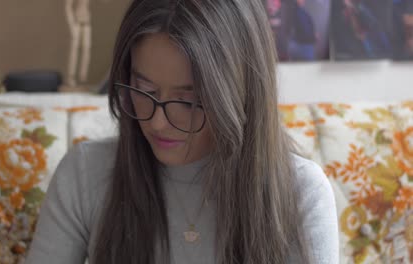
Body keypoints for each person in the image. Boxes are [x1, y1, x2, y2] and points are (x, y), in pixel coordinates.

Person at [26, 0, 338, 263]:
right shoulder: (85, 175)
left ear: (241, 96)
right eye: (142, 89)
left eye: (188, 102)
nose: (158, 123)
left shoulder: (301, 195)